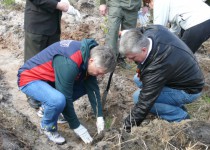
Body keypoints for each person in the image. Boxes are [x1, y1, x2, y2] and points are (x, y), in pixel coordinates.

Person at [17, 39, 116, 144]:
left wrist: (99, 116)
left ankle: (46, 108)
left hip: (51, 79)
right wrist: (76, 126)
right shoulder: (70, 62)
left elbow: (92, 87)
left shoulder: (89, 53)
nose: (99, 75)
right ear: (91, 61)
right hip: (30, 78)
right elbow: (66, 96)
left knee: (84, 87)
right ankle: (48, 127)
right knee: (58, 101)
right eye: (99, 72)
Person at [119, 25, 204, 132]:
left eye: (132, 57)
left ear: (143, 50)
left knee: (137, 97)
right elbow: (142, 30)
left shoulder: (157, 67)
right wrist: (129, 33)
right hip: (183, 76)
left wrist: (126, 128)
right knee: (138, 78)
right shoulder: (154, 31)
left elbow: (144, 103)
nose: (129, 60)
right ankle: (173, 103)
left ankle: (181, 117)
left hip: (189, 90)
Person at [24, 0, 81, 109]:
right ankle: (33, 96)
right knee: (34, 63)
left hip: (53, 26)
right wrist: (58, 5)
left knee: (51, 63)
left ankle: (47, 94)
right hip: (37, 24)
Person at [143, 0, 210, 53]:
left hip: (197, 22)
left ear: (150, 2)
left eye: (148, 5)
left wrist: (151, 46)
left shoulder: (159, 2)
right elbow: (175, 29)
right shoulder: (172, 4)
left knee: (182, 53)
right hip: (206, 18)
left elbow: (158, 28)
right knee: (184, 49)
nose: (151, 8)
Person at [99, 0, 142, 68]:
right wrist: (102, 3)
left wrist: (146, 4)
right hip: (116, 4)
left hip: (133, 5)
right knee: (112, 33)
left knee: (128, 35)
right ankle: (109, 60)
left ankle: (120, 58)